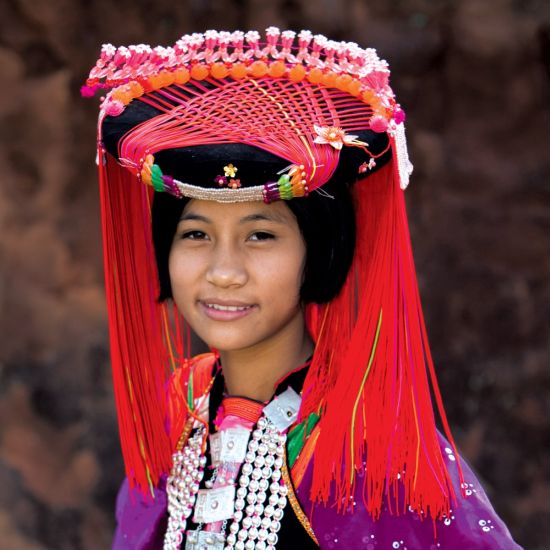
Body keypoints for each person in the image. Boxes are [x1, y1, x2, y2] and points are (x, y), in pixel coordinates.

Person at [84, 28, 522, 549]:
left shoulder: (372, 443)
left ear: (318, 250)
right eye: (196, 234)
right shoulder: (180, 406)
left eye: (261, 235)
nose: (224, 271)